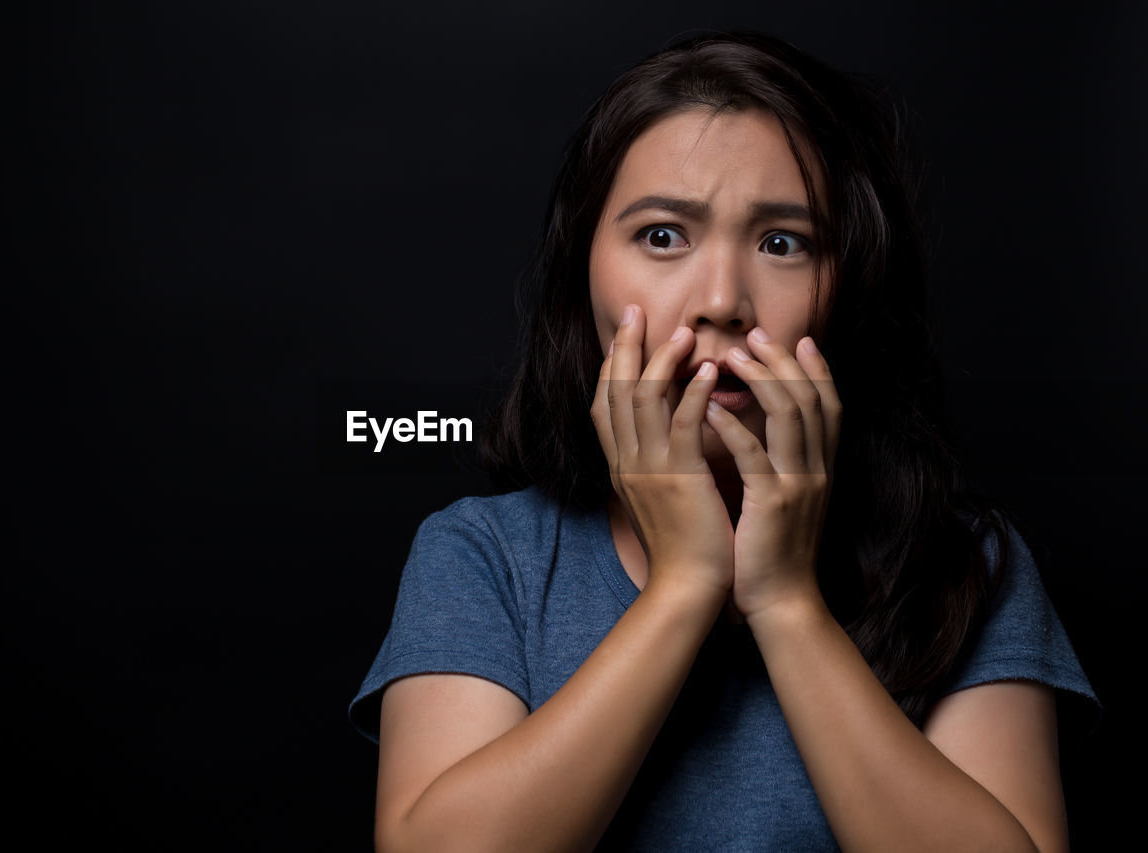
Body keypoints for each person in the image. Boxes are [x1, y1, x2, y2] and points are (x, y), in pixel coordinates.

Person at [349, 31, 1097, 851]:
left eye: (784, 242)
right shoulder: (482, 556)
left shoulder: (965, 566)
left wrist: (784, 601)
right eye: (664, 235)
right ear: (584, 276)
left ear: (849, 287)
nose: (722, 301)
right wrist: (684, 585)